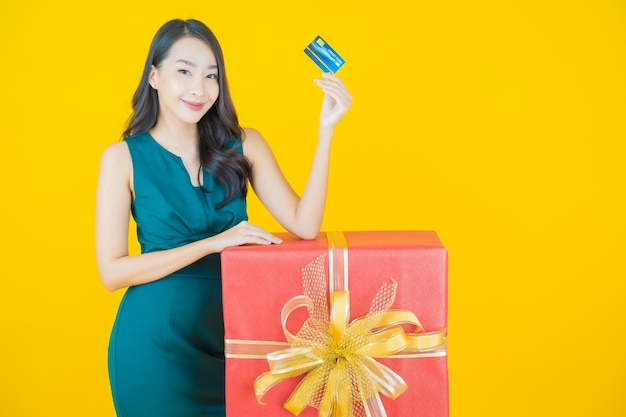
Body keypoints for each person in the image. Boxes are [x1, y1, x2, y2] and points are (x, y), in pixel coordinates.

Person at [95, 18, 351, 417]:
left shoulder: (244, 145)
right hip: (154, 347)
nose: (200, 88)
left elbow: (305, 225)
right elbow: (111, 272)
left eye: (211, 75)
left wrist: (326, 132)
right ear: (154, 76)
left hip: (236, 339)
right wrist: (212, 244)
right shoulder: (122, 158)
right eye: (184, 71)